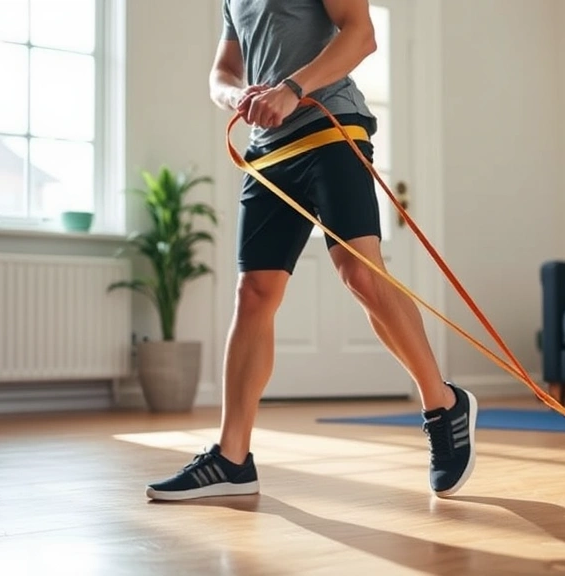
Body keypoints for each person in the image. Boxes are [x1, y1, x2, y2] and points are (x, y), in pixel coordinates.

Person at [145, 0, 478, 501]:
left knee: (360, 274)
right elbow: (222, 72)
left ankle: (444, 405)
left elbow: (361, 33)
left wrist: (291, 89)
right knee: (254, 293)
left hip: (331, 127)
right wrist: (237, 95)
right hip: (268, 150)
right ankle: (232, 458)